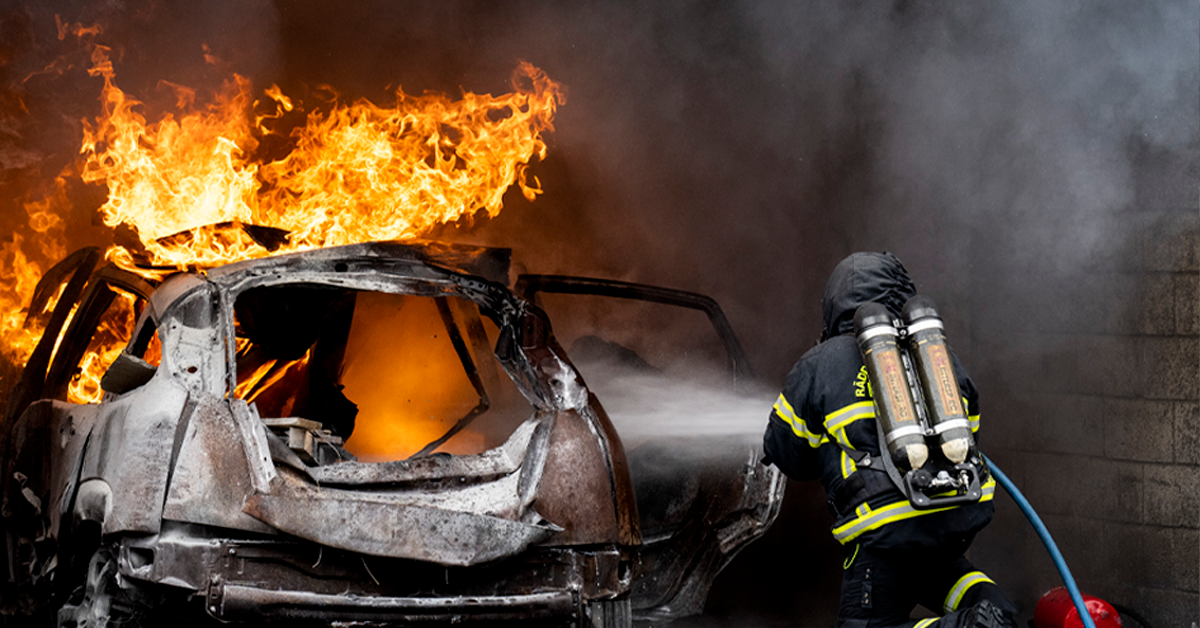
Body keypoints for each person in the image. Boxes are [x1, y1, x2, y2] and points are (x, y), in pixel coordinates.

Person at [763, 252, 1018, 628]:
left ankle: (967, 627)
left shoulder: (820, 364)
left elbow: (786, 452)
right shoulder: (939, 357)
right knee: (943, 572)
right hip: (953, 521)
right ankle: (994, 610)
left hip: (885, 540)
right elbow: (971, 434)